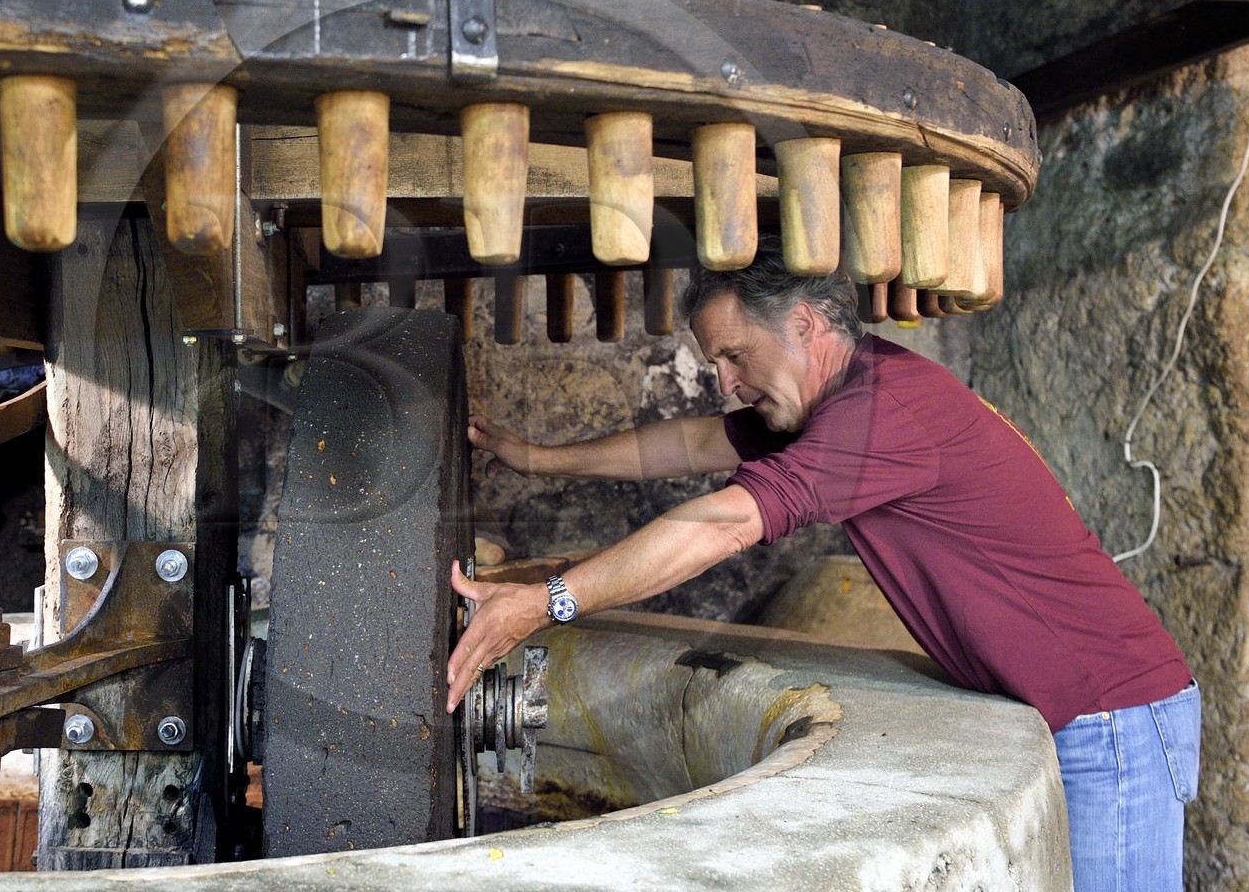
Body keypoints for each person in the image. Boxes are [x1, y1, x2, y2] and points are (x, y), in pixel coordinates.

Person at [445, 233, 1199, 892]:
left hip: (1112, 718)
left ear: (804, 324)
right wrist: (538, 456)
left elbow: (723, 522)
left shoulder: (877, 416)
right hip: (1079, 711)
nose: (727, 382)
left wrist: (547, 602)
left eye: (735, 356)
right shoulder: (836, 397)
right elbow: (691, 443)